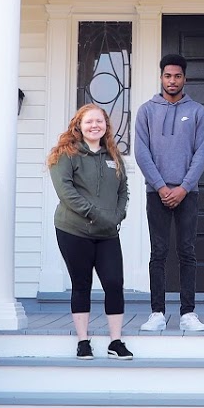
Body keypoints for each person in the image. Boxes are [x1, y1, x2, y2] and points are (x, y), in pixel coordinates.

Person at [47, 104, 133, 360]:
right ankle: (83, 342)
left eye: (99, 121)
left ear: (106, 125)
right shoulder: (65, 154)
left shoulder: (113, 156)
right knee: (81, 284)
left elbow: (123, 190)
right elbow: (66, 192)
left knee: (114, 283)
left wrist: (118, 215)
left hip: (107, 233)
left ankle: (115, 342)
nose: (95, 125)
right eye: (89, 121)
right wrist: (96, 214)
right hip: (73, 230)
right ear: (79, 125)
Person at [133, 53, 204, 333]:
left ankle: (188, 313)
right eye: (168, 76)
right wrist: (161, 186)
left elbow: (201, 154)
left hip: (188, 193)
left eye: (177, 76)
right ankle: (157, 313)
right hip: (157, 192)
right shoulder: (146, 111)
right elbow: (141, 152)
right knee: (159, 252)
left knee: (187, 252)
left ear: (184, 78)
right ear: (161, 77)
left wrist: (183, 187)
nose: (172, 81)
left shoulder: (198, 112)